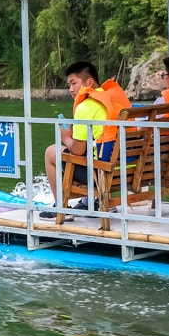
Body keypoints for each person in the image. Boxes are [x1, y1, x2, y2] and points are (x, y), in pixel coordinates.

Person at [42, 61, 131, 218]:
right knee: (96, 151)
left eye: (74, 83)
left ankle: (62, 208)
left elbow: (77, 150)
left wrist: (66, 136)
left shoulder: (86, 107)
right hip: (129, 169)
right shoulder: (116, 99)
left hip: (105, 174)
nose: (71, 89)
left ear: (89, 82)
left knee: (51, 152)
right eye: (69, 85)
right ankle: (92, 202)